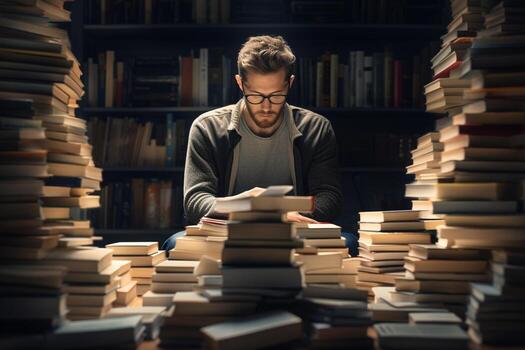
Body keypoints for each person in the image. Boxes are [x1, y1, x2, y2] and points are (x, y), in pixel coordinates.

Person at [162, 35, 358, 255]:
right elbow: (195, 202)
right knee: (174, 244)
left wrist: (282, 218)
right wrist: (247, 210)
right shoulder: (206, 128)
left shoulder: (316, 128)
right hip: (226, 233)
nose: (266, 107)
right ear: (240, 83)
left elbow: (329, 197)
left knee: (349, 244)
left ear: (290, 83)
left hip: (296, 231)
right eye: (255, 95)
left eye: (276, 96)